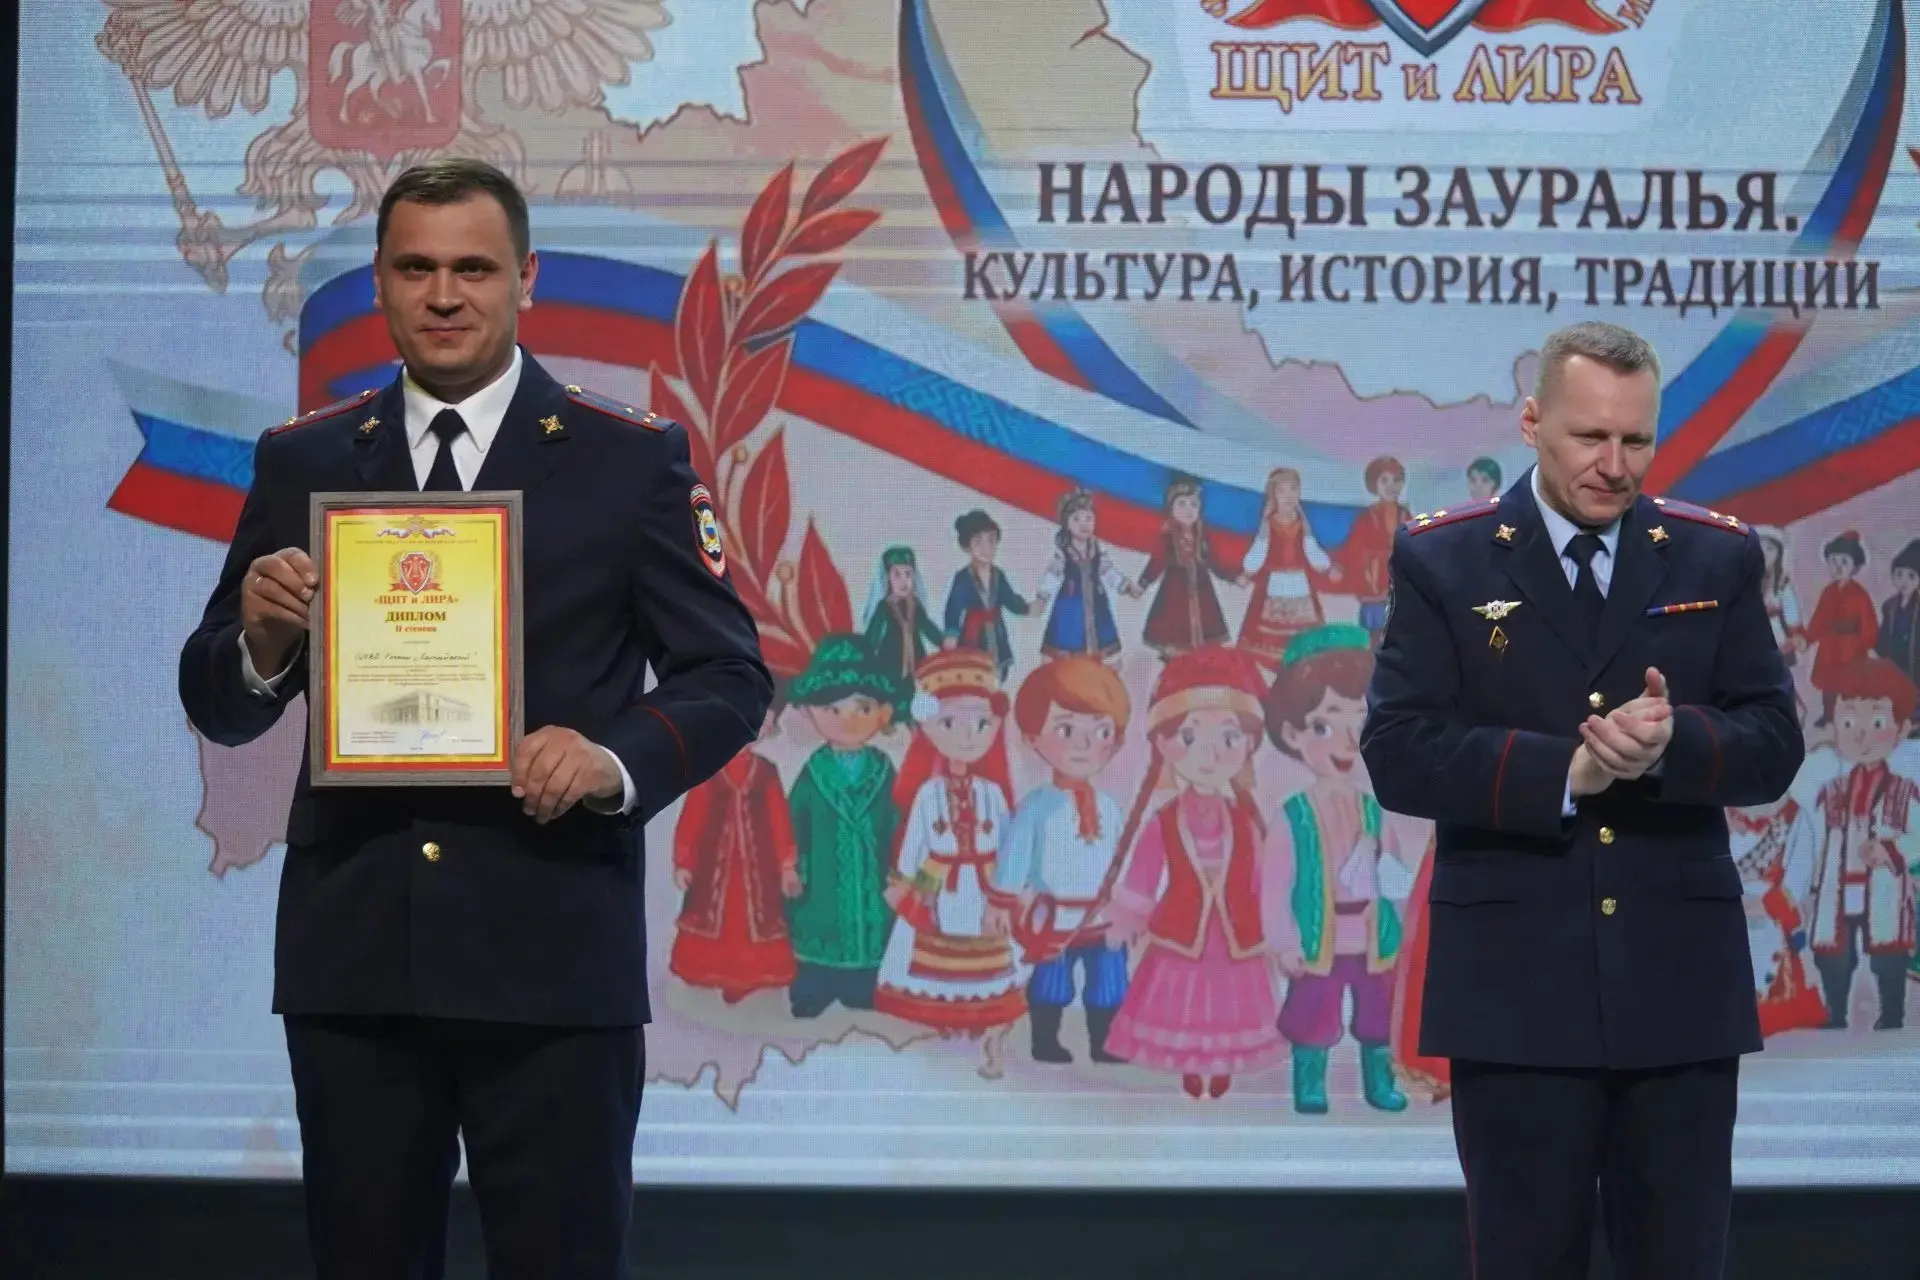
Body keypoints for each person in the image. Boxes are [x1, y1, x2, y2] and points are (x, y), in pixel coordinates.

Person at [177, 158, 774, 1280]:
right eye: (415, 268)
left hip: (554, 959)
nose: (445, 294)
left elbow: (730, 674)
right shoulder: (305, 457)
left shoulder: (628, 458)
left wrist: (609, 758)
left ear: (526, 278)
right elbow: (217, 697)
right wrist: (258, 645)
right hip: (356, 963)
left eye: (474, 269)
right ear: (380, 284)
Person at [1360, 321, 1803, 1280]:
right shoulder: (1444, 560)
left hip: (1677, 990)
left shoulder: (1715, 557)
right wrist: (1567, 773)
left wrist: (1675, 744)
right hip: (1515, 991)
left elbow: (1773, 741)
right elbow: (1399, 752)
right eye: (1590, 437)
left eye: (1636, 440)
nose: (1615, 464)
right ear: (1532, 423)